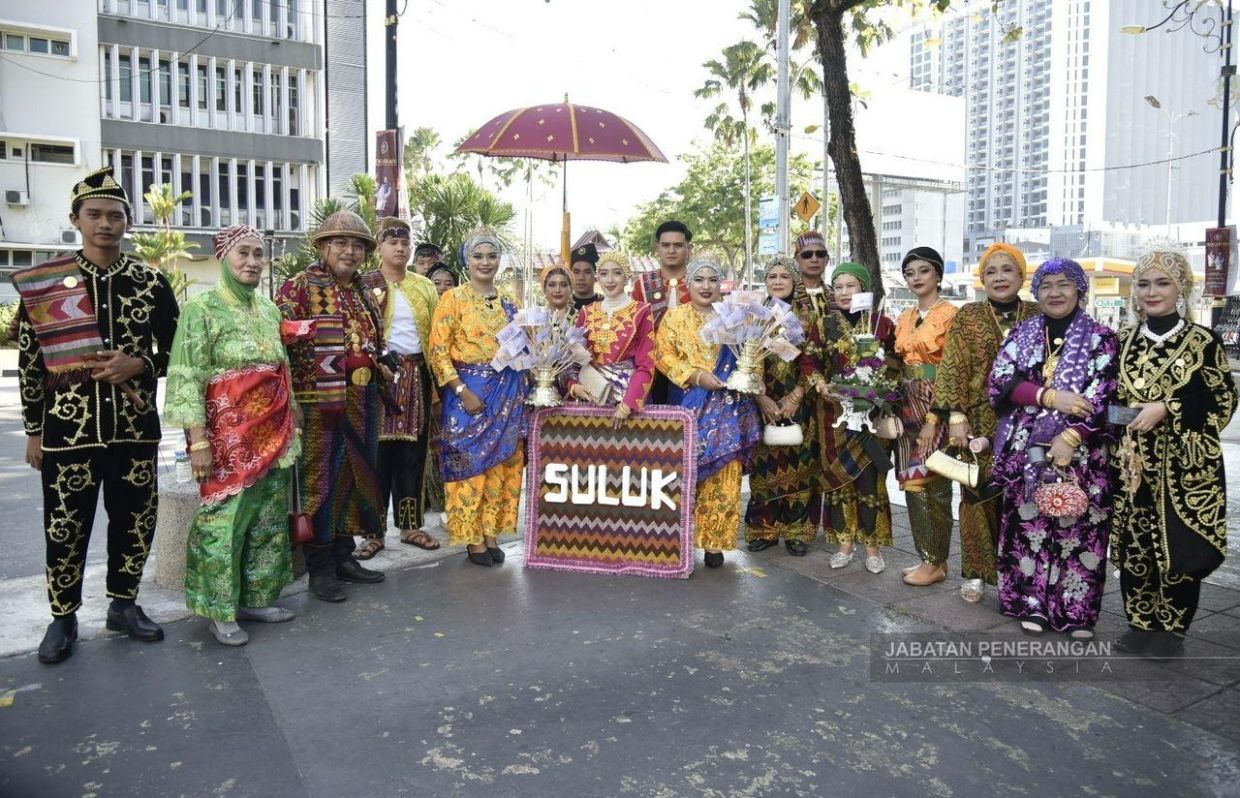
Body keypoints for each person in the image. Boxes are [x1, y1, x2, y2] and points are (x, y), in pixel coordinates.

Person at [16, 166, 180, 664]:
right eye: (95, 215)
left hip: (133, 430)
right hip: (69, 431)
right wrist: (34, 430)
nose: (105, 223)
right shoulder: (50, 285)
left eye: (115, 215)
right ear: (76, 219)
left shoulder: (150, 282)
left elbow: (180, 351)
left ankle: (123, 605)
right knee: (65, 525)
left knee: (134, 520)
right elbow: (30, 359)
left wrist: (141, 364)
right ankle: (62, 616)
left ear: (127, 222)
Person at [163, 225, 301, 646]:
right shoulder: (201, 310)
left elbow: (282, 370)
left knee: (267, 521)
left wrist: (292, 417)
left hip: (273, 435)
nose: (253, 262)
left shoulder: (269, 310)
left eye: (259, 254)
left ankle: (258, 598)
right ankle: (220, 609)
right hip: (227, 440)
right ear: (223, 256)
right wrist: (198, 442)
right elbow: (187, 377)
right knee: (223, 524)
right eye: (243, 253)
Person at [1112, 246, 1237, 658]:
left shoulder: (1202, 340)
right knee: (1136, 543)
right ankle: (1140, 621)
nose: (1152, 292)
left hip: (1185, 466)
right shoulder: (1123, 341)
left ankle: (1173, 628)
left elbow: (1222, 400)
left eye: (1162, 283)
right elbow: (1111, 401)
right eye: (1144, 284)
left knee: (1178, 543)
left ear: (1181, 287)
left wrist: (1168, 408)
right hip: (1131, 462)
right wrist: (1125, 416)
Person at [988, 257, 1118, 638]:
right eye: (1046, 285)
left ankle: (1076, 611)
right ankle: (1031, 604)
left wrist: (1072, 435)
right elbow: (1000, 382)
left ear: (1079, 288)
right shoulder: (1022, 334)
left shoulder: (1101, 338)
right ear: (1036, 292)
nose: (1055, 292)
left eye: (1064, 284)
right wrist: (1048, 396)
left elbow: (1105, 393)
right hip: (1028, 451)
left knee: (1080, 527)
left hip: (1082, 453)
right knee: (1030, 526)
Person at [276, 210, 388, 602]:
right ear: (323, 247)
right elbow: (279, 347)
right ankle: (320, 568)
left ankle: (344, 555)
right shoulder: (299, 288)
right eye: (340, 243)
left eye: (358, 245)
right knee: (319, 481)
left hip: (362, 399)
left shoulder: (363, 291)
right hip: (319, 403)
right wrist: (291, 401)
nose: (350, 251)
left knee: (355, 480)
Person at [932, 243, 1038, 603]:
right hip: (977, 420)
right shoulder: (970, 315)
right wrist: (956, 416)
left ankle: (1017, 575)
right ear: (982, 279)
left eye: (1007, 270)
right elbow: (953, 365)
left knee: (1023, 499)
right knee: (975, 495)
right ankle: (977, 572)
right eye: (991, 272)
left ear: (1021, 276)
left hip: (1028, 423)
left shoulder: (1038, 316)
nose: (999, 277)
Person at [428, 231, 528, 567]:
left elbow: (521, 350)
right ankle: (471, 539)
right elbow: (438, 351)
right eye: (478, 256)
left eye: (491, 256)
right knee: (471, 467)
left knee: (501, 465)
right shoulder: (452, 299)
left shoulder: (510, 305)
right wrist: (460, 389)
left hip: (506, 394)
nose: (485, 262)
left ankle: (491, 534)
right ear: (466, 261)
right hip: (468, 395)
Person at [654, 258, 762, 569]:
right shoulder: (674, 318)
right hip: (688, 406)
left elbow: (752, 352)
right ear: (688, 284)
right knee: (684, 474)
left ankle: (714, 542)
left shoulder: (734, 318)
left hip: (729, 409)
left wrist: (754, 375)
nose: (706, 286)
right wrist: (696, 376)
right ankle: (679, 540)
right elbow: (663, 355)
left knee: (724, 472)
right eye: (699, 279)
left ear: (720, 285)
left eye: (712, 280)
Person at [360, 217, 441, 557]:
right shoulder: (364, 285)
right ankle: (373, 531)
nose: (400, 246)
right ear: (379, 246)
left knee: (413, 455)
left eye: (405, 241)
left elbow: (437, 338)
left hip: (417, 375)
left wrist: (439, 385)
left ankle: (410, 526)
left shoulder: (424, 286)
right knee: (376, 456)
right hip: (378, 378)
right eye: (392, 241)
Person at [820, 261, 897, 575]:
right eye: (838, 287)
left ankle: (873, 546)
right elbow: (811, 362)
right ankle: (844, 544)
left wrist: (878, 388)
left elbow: (895, 363)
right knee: (841, 480)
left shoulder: (882, 324)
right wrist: (820, 384)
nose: (843, 292)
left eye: (850, 286)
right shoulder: (824, 324)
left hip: (871, 414)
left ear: (864, 289)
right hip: (835, 414)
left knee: (871, 481)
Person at [744, 255, 819, 556]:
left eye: (783, 277)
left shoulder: (808, 316)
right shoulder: (754, 315)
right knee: (765, 467)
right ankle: (764, 529)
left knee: (799, 464)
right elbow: (746, 359)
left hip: (798, 400)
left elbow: (814, 359)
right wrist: (760, 397)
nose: (777, 281)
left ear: (795, 281)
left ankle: (796, 531)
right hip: (763, 400)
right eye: (772, 276)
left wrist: (796, 395)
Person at [893, 247, 959, 587]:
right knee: (911, 482)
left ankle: (935, 560)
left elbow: (954, 367)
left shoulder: (950, 314)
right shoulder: (904, 317)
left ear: (937, 274)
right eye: (909, 273)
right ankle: (930, 558)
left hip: (938, 405)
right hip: (906, 404)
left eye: (922, 271)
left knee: (935, 484)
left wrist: (938, 413)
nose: (916, 278)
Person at [566, 251, 656, 424]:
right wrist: (573, 385)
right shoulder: (587, 312)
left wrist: (629, 403)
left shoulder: (641, 311)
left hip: (627, 400)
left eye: (617, 272)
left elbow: (647, 363)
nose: (610, 280)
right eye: (604, 273)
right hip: (592, 396)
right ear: (598, 277)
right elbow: (573, 358)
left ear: (627, 277)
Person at [634, 221, 695, 404]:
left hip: (692, 366)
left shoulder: (701, 282)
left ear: (689, 247)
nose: (671, 250)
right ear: (657, 248)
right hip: (651, 368)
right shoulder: (643, 284)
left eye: (678, 245)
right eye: (666, 245)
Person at [423, 262, 460, 516]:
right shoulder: (423, 315)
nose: (443, 288)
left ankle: (451, 499)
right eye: (437, 283)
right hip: (426, 385)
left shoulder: (461, 312)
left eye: (449, 283)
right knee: (429, 446)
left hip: (456, 387)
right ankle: (429, 497)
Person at [794, 232, 833, 317]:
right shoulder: (789, 295)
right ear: (797, 260)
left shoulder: (836, 294)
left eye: (820, 254)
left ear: (827, 260)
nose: (814, 259)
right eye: (807, 255)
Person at [570, 243, 603, 311]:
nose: (581, 277)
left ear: (596, 276)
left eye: (587, 272)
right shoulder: (564, 305)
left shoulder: (605, 305)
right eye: (576, 272)